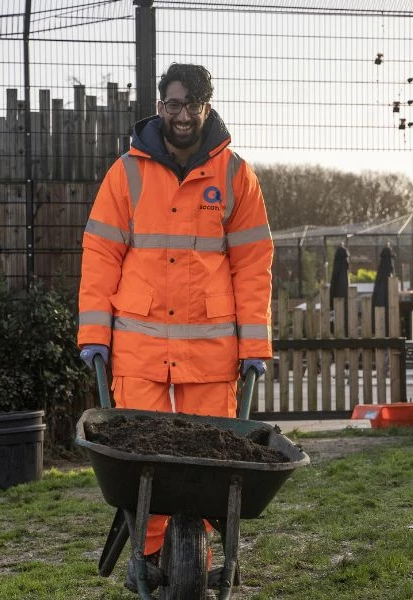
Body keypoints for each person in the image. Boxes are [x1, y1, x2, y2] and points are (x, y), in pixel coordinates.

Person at [76, 63, 275, 592]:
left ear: (207, 107)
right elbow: (101, 253)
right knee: (141, 460)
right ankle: (145, 559)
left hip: (210, 351)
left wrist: (255, 343)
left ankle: (198, 551)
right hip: (137, 347)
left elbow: (252, 264)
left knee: (208, 465)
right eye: (172, 105)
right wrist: (93, 336)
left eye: (191, 106)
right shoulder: (128, 173)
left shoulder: (235, 176)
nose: (181, 116)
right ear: (158, 105)